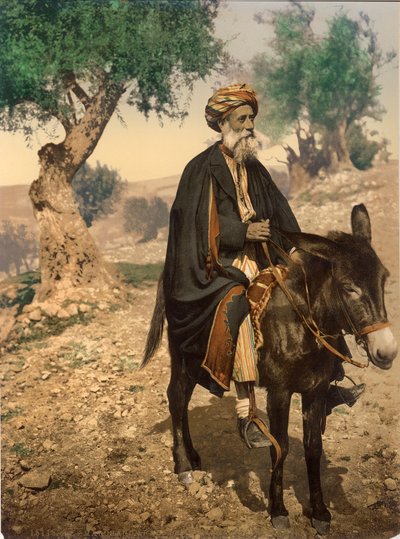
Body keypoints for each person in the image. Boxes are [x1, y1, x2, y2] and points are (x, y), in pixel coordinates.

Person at [163, 83, 364, 448]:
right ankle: (247, 414)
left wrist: (300, 252)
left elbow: (281, 210)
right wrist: (242, 231)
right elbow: (194, 227)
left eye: (252, 118)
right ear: (224, 122)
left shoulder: (253, 166)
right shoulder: (200, 170)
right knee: (239, 302)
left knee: (311, 296)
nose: (250, 126)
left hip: (263, 255)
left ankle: (331, 378)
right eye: (242, 119)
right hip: (218, 266)